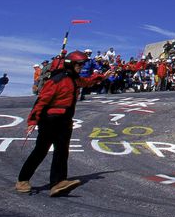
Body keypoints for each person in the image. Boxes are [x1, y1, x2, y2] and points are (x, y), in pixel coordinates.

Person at [16, 51, 110, 197]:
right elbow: (41, 101)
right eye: (79, 64)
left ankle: (58, 182)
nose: (81, 67)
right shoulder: (57, 80)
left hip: (65, 120)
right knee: (41, 151)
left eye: (82, 64)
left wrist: (102, 77)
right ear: (70, 64)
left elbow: (87, 82)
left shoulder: (74, 79)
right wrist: (32, 121)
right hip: (50, 120)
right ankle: (22, 180)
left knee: (62, 150)